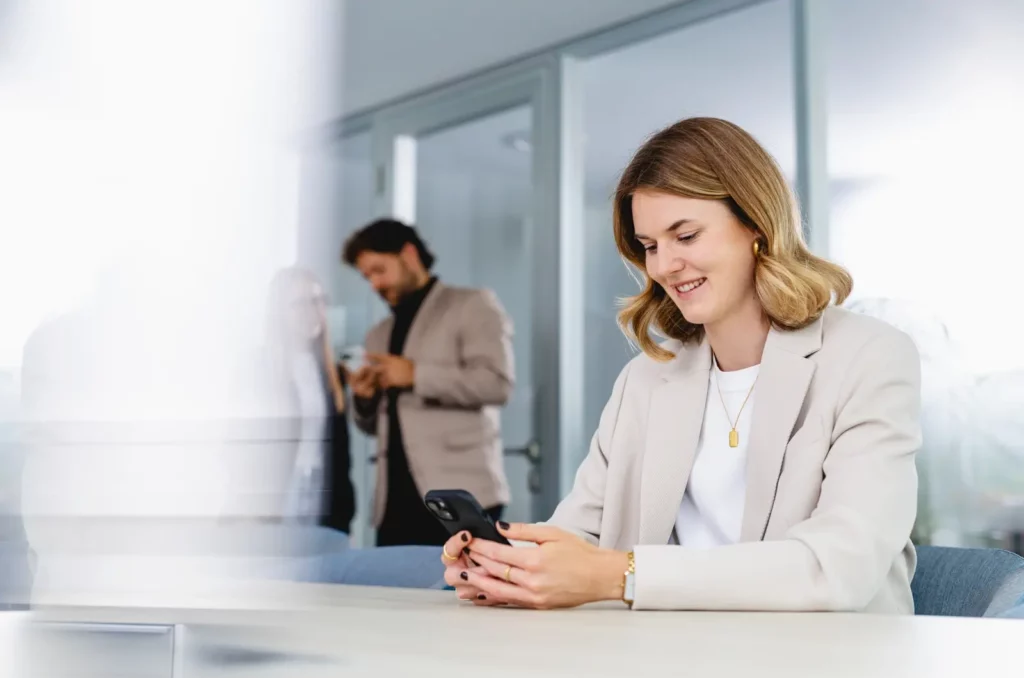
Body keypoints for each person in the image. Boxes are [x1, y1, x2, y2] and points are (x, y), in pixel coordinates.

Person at [441, 117, 922, 613]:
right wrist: (507, 564)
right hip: (671, 654)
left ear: (756, 223)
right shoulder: (646, 379)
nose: (663, 266)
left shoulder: (868, 356)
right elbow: (579, 531)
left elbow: (838, 567)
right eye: (649, 246)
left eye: (685, 236)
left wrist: (620, 574)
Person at [342, 219, 514, 547]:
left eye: (379, 270)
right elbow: (377, 425)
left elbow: (496, 383)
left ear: (408, 254)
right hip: (393, 502)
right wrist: (364, 400)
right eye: (367, 277)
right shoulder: (378, 334)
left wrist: (416, 375)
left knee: (463, 595)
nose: (374, 284)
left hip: (461, 497)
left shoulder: (472, 305)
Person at [260, 266, 356, 533]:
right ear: (280, 311)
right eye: (300, 303)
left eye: (318, 300)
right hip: (280, 491)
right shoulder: (259, 368)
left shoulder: (332, 372)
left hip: (321, 487)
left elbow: (341, 453)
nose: (313, 310)